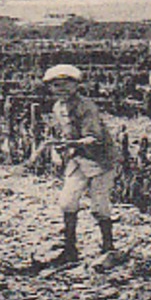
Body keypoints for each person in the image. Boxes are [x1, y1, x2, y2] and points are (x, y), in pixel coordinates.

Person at [28, 64, 120, 268]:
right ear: (50, 88)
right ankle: (70, 249)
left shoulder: (86, 106)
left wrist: (69, 144)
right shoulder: (57, 108)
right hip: (77, 159)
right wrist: (60, 147)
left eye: (66, 85)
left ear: (76, 85)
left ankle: (108, 247)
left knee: (99, 204)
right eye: (56, 86)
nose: (61, 89)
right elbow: (63, 133)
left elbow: (93, 137)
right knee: (67, 202)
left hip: (100, 160)